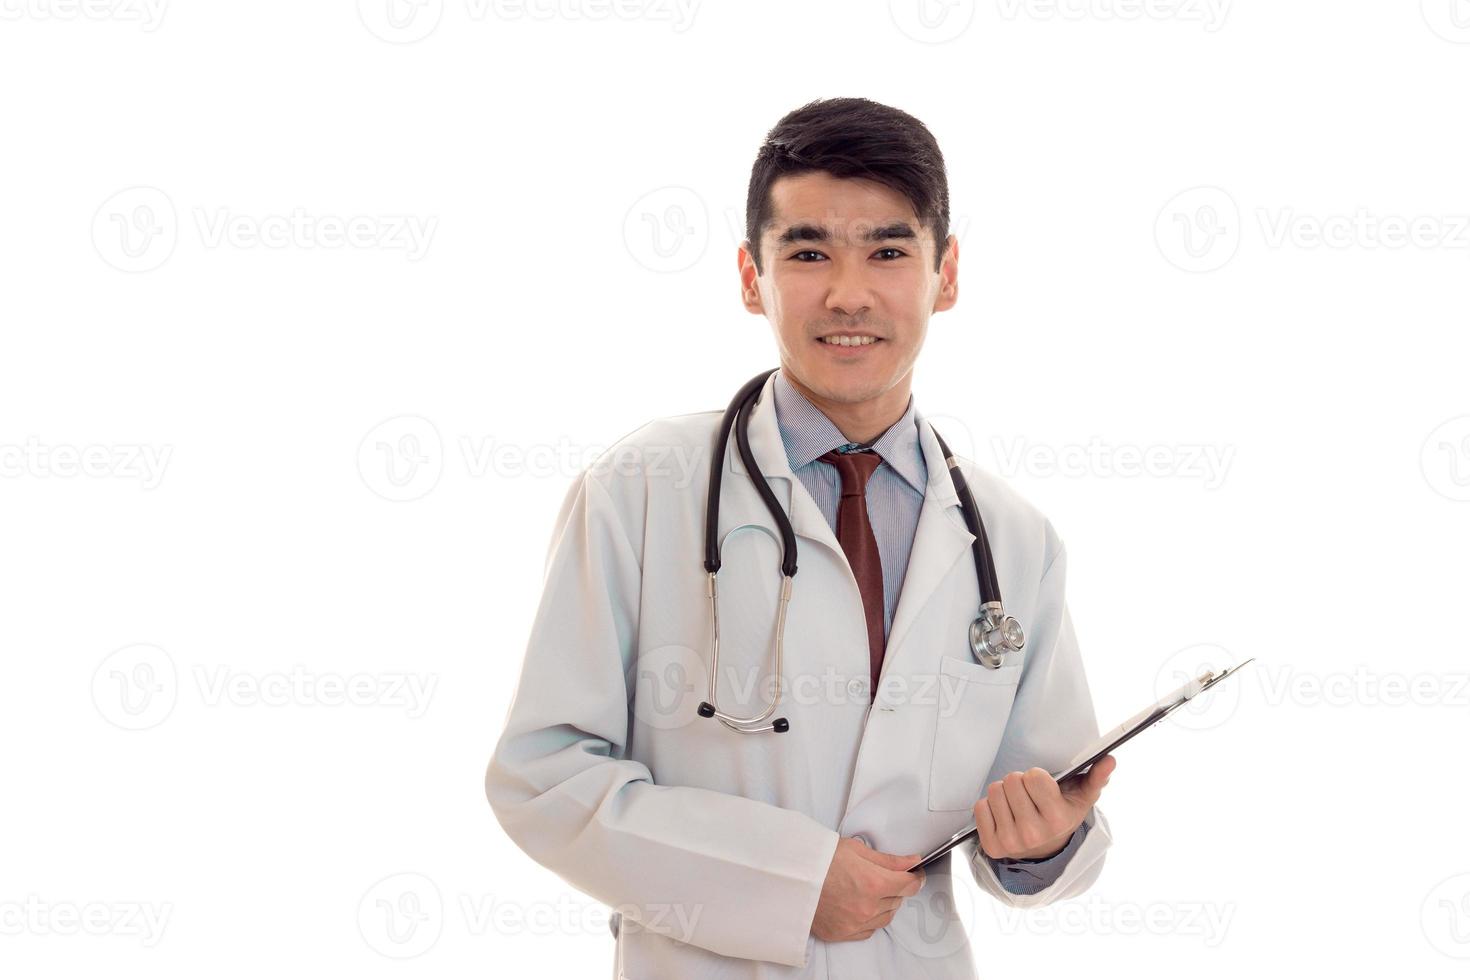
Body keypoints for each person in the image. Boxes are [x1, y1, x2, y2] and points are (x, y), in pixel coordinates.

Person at [485, 96, 1116, 979]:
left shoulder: (1011, 539)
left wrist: (1041, 845)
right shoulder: (643, 488)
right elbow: (543, 777)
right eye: (808, 252)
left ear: (948, 274)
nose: (849, 293)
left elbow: (1042, 821)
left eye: (889, 252)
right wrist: (784, 881)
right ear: (752, 278)